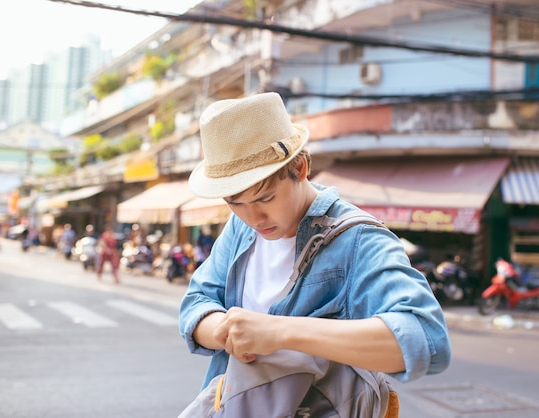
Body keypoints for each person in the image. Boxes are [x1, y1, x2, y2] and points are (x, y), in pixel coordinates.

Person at [178, 92, 451, 413]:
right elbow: (196, 303)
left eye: (265, 198)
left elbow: (427, 340)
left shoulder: (358, 239)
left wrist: (280, 332)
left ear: (301, 168)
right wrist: (226, 330)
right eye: (235, 203)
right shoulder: (241, 228)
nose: (254, 218)